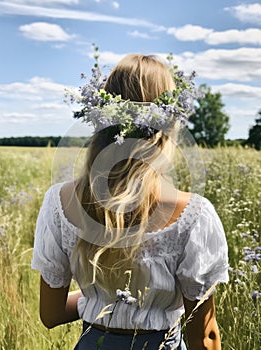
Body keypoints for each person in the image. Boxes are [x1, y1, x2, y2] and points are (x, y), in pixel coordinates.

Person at [31, 54, 229, 350]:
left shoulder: (59, 202)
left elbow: (51, 314)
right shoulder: (193, 214)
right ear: (169, 124)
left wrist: (103, 302)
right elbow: (203, 336)